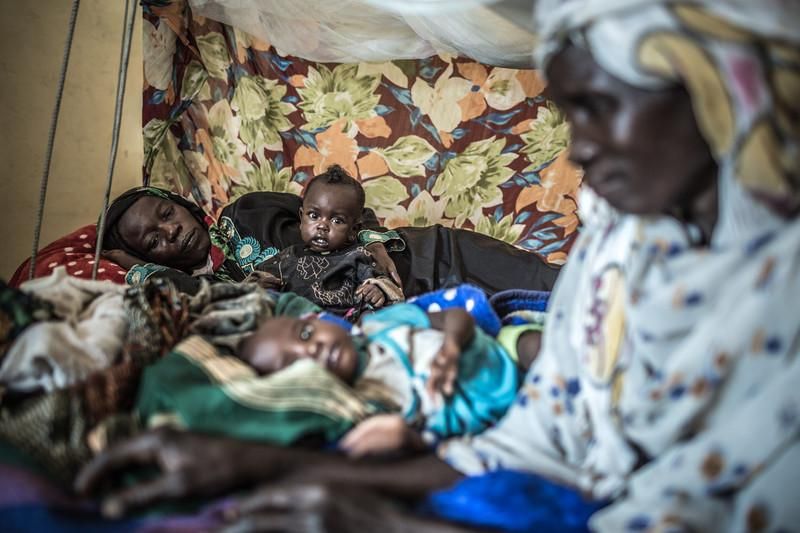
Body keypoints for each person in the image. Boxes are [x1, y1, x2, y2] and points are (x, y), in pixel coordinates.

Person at [75, 1, 800, 531]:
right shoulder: (625, 247)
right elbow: (536, 444)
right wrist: (263, 465)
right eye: (572, 115)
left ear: (730, 92)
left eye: (602, 107)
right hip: (413, 294)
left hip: (426, 256)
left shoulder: (781, 295)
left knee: (531, 301)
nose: (578, 152)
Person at [100, 171, 561, 298]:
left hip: (428, 257)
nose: (171, 232)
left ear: (180, 203)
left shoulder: (247, 211)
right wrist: (136, 268)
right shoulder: (212, 292)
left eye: (165, 213)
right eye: (153, 241)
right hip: (412, 309)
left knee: (563, 289)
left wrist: (375, 246)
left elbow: (342, 208)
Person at [236, 303, 519, 456]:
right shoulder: (362, 407)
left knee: (529, 342)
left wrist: (453, 344)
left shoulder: (383, 323)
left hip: (503, 355)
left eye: (306, 334)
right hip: (496, 425)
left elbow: (455, 316)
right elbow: (415, 445)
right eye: (296, 363)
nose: (313, 349)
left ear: (318, 319)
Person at [254, 167, 403, 315]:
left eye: (337, 220)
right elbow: (259, 280)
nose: (322, 226)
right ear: (301, 217)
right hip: (294, 324)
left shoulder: (357, 255)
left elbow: (383, 282)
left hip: (343, 323)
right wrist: (258, 286)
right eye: (313, 215)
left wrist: (377, 290)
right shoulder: (286, 257)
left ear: (353, 230)